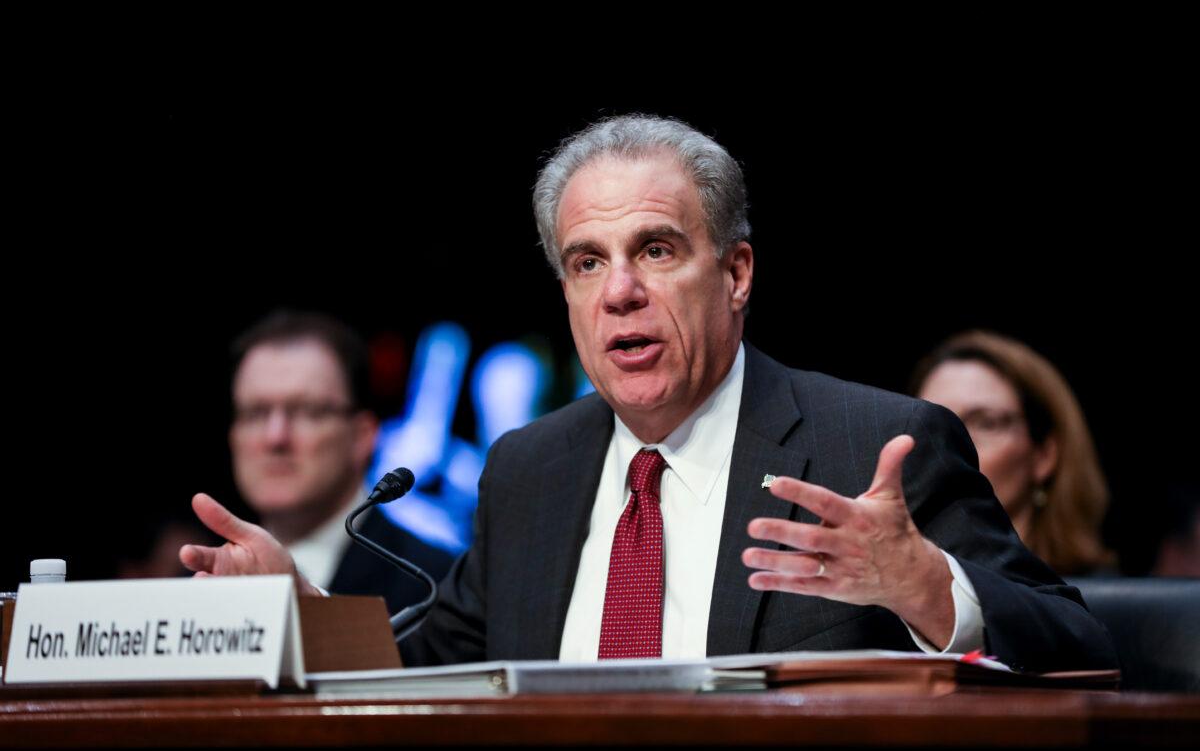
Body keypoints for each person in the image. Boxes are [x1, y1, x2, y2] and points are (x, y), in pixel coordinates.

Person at [182, 116, 1116, 674]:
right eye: (588, 263)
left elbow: (1078, 644)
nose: (620, 290)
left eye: (656, 251)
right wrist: (302, 617)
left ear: (738, 272)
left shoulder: (868, 442)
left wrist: (926, 590)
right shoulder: (528, 470)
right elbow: (426, 675)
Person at [223, 310, 453, 613]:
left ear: (362, 436)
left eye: (307, 411)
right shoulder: (196, 584)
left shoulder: (435, 587)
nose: (275, 437)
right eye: (255, 413)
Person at [910, 331, 1116, 576]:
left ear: (1044, 455)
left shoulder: (1094, 605)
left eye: (986, 423)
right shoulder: (878, 601)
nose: (947, 443)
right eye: (929, 425)